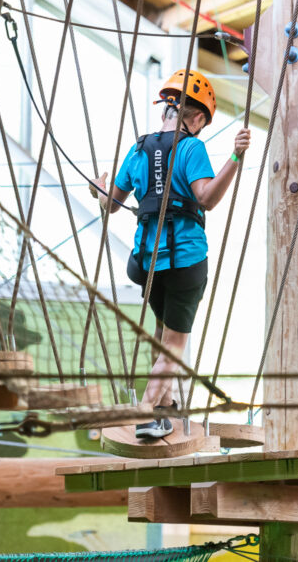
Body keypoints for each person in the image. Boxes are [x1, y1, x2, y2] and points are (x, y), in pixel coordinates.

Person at [91, 69, 250, 440]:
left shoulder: (139, 148)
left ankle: (166, 409)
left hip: (147, 262)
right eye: (202, 122)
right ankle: (146, 414)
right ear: (196, 118)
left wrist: (98, 188)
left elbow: (111, 204)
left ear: (166, 107)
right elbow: (206, 198)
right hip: (185, 260)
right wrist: (235, 158)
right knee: (175, 345)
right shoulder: (191, 147)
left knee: (164, 335)